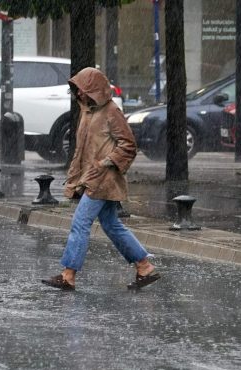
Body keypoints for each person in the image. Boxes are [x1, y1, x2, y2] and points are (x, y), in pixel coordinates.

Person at [42, 67, 160, 292]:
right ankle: (144, 267)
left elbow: (128, 144)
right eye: (76, 90)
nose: (78, 94)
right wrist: (76, 176)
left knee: (80, 223)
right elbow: (82, 148)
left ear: (93, 89)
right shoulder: (87, 112)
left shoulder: (110, 111)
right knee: (112, 224)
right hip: (91, 177)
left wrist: (107, 162)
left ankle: (68, 275)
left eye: (82, 89)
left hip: (103, 179)